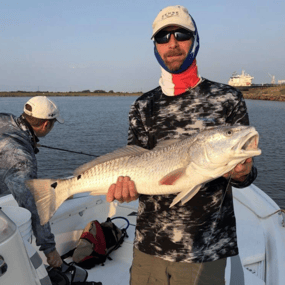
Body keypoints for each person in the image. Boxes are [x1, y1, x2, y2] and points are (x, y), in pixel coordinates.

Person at [107, 5, 257, 285]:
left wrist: (242, 172)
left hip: (205, 248)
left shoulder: (228, 98)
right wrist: (125, 190)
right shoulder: (142, 105)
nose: (172, 43)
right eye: (163, 37)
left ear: (195, 40)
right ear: (155, 47)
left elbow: (245, 176)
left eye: (181, 34)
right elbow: (134, 161)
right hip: (149, 245)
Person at [0, 96, 64, 268]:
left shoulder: (5, 118)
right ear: (46, 124)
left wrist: (27, 142)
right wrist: (50, 250)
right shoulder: (22, 161)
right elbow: (33, 205)